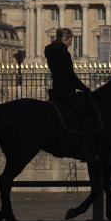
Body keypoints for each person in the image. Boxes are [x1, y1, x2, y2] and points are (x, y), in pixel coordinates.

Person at [44, 28, 99, 163]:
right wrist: (84, 88)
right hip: (66, 91)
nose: (70, 44)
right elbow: (69, 75)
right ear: (64, 39)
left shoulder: (49, 51)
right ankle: (84, 149)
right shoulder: (63, 53)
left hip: (56, 90)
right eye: (70, 41)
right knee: (87, 113)